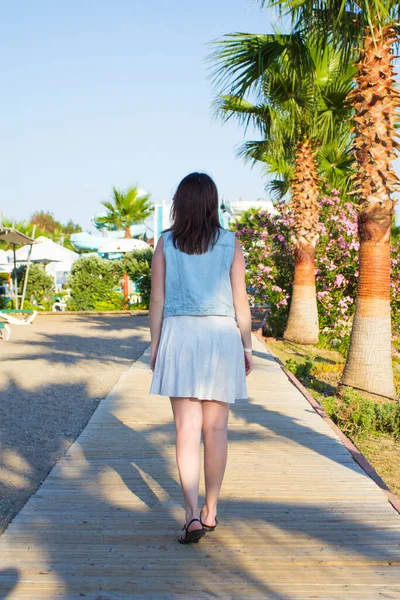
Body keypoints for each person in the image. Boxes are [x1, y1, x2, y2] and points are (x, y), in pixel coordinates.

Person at [149, 172, 252, 544]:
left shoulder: (165, 243)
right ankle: (211, 510)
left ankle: (190, 513)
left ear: (181, 203)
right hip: (221, 336)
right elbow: (240, 300)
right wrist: (247, 345)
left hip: (179, 334)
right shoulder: (231, 243)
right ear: (212, 202)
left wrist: (156, 345)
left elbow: (157, 300)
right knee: (216, 430)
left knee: (186, 430)